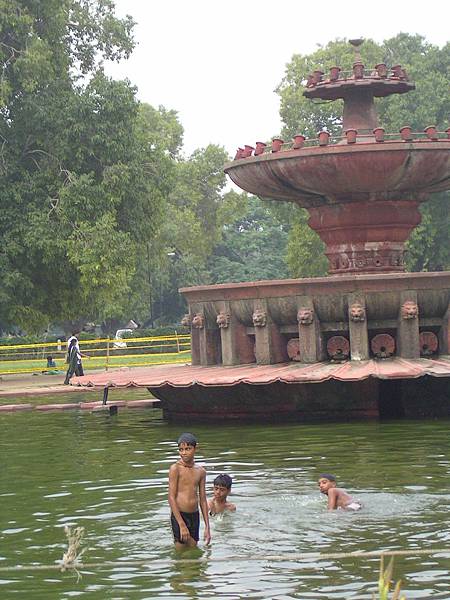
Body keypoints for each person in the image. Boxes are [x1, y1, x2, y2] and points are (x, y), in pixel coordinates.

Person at [168, 432, 211, 549]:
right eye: (181, 449)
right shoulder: (175, 469)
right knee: (181, 551)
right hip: (179, 515)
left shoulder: (201, 471)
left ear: (195, 448)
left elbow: (202, 499)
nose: (184, 453)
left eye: (188, 449)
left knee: (193, 550)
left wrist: (207, 527)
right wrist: (181, 524)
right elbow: (171, 497)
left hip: (194, 515)